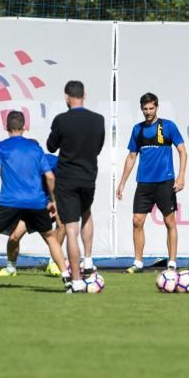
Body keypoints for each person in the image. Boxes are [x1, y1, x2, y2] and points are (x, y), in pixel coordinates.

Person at [0, 111, 69, 290]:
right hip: (36, 202)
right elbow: (50, 176)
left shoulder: (1, 146)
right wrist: (53, 200)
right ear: (24, 127)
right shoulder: (36, 149)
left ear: (6, 127)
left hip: (10, 201)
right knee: (50, 238)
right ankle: (67, 277)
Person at [116, 92, 187, 273]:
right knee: (137, 221)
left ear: (157, 107)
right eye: (145, 108)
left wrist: (181, 176)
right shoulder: (137, 130)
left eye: (151, 108)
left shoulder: (168, 126)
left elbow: (182, 151)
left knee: (169, 221)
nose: (148, 111)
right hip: (144, 184)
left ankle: (172, 262)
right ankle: (138, 262)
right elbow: (132, 156)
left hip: (165, 181)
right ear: (141, 109)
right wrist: (122, 182)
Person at [46, 80, 105, 286]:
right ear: (84, 95)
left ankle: (77, 280)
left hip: (67, 178)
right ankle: (88, 259)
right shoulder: (98, 120)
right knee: (87, 212)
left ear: (66, 97)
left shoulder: (61, 120)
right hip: (88, 177)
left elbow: (51, 147)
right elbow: (98, 148)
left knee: (71, 229)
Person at [0, 153, 61, 278]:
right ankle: (11, 268)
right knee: (14, 238)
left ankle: (57, 265)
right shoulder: (18, 164)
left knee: (55, 233)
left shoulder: (49, 160)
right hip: (27, 209)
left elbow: (60, 175)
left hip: (42, 208)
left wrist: (54, 199)